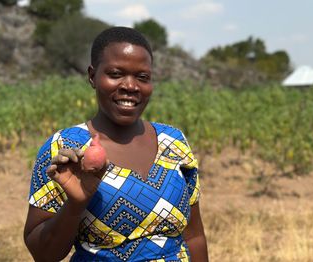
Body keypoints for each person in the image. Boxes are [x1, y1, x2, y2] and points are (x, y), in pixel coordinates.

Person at [23, 26, 208, 261]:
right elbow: (43, 254)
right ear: (92, 76)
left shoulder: (174, 142)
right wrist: (76, 203)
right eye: (116, 74)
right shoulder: (65, 148)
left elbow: (194, 237)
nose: (130, 86)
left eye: (142, 77)